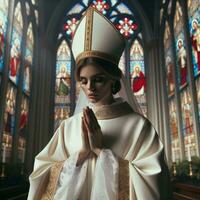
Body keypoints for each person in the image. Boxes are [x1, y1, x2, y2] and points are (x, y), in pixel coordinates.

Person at [28, 7, 170, 200]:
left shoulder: (139, 128)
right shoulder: (67, 127)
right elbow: (40, 175)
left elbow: (155, 184)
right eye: (84, 81)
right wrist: (79, 156)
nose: (90, 88)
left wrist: (101, 152)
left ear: (114, 79)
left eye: (99, 79)